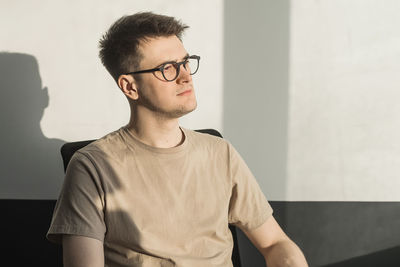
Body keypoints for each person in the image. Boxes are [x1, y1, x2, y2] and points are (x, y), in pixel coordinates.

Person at [47, 12, 308, 267]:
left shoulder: (219, 152)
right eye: (167, 68)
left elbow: (275, 243)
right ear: (130, 87)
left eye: (185, 62)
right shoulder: (92, 166)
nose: (185, 76)